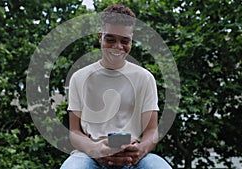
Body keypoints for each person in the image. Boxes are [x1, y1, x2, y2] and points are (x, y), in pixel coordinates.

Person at [60, 4, 172, 169]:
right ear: (101, 37)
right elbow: (75, 133)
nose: (118, 47)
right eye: (110, 39)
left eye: (124, 40)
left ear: (131, 40)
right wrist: (95, 149)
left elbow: (151, 131)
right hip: (90, 156)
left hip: (133, 157)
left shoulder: (145, 78)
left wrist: (139, 151)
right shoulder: (80, 78)